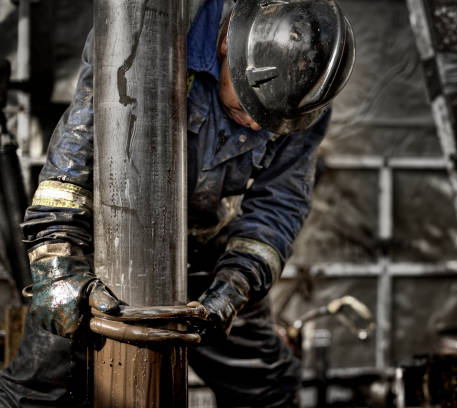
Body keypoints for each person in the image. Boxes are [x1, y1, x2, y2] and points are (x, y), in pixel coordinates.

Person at [0, 0, 355, 407]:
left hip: (211, 257)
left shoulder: (300, 103)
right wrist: (57, 257)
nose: (258, 125)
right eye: (247, 108)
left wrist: (236, 285)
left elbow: (279, 204)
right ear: (227, 47)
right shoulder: (146, 36)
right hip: (109, 252)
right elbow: (76, 151)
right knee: (35, 391)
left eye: (270, 122)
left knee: (267, 390)